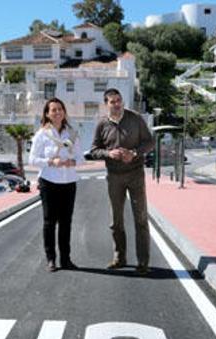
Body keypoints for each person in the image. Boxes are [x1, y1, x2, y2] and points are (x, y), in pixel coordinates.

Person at [90, 88, 155, 275]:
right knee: (116, 221)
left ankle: (143, 262)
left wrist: (134, 153)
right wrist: (108, 153)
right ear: (106, 104)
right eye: (112, 101)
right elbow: (94, 149)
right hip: (114, 176)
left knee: (140, 219)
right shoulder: (101, 124)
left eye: (119, 100)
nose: (117, 104)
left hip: (136, 174)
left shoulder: (135, 118)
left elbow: (149, 142)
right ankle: (120, 257)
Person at [29, 98, 83, 272]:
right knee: (49, 222)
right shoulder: (42, 135)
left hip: (68, 183)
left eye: (60, 109)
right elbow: (32, 160)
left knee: (66, 222)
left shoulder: (72, 133)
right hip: (49, 182)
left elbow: (81, 158)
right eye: (53, 110)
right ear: (47, 114)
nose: (58, 112)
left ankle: (66, 259)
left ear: (64, 112)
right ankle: (51, 259)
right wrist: (51, 161)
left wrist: (72, 162)